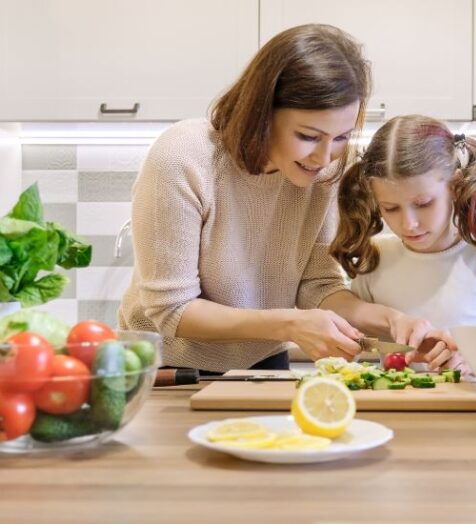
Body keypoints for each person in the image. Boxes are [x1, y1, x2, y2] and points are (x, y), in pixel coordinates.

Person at [118, 25, 455, 373]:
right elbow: (171, 309)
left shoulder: (323, 173)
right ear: (262, 112)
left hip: (264, 363)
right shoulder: (183, 158)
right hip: (167, 370)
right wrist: (289, 325)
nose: (324, 157)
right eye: (309, 136)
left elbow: (318, 285)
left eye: (341, 137)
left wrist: (392, 321)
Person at [330, 114, 476, 370]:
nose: (409, 224)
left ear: (455, 187)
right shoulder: (376, 257)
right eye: (391, 208)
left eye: (423, 204)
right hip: (395, 406)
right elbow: (357, 340)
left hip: (473, 401)